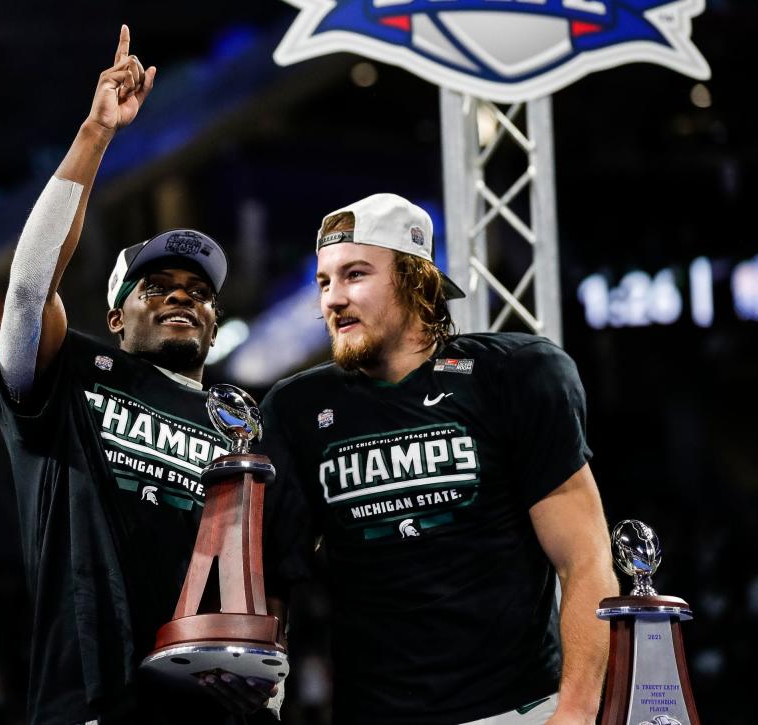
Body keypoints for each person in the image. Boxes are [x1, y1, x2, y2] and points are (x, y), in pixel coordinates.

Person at [0, 26, 296, 725]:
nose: (182, 294)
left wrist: (270, 687)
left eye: (196, 287)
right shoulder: (73, 380)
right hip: (90, 703)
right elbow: (30, 287)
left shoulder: (245, 427)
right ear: (116, 317)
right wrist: (96, 134)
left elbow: (273, 577)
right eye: (156, 284)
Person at [260, 193, 619, 725]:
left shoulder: (516, 375)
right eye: (324, 281)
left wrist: (577, 709)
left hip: (517, 710)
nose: (333, 298)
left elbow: (586, 560)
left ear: (414, 281)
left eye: (355, 274)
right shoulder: (295, 408)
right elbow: (272, 579)